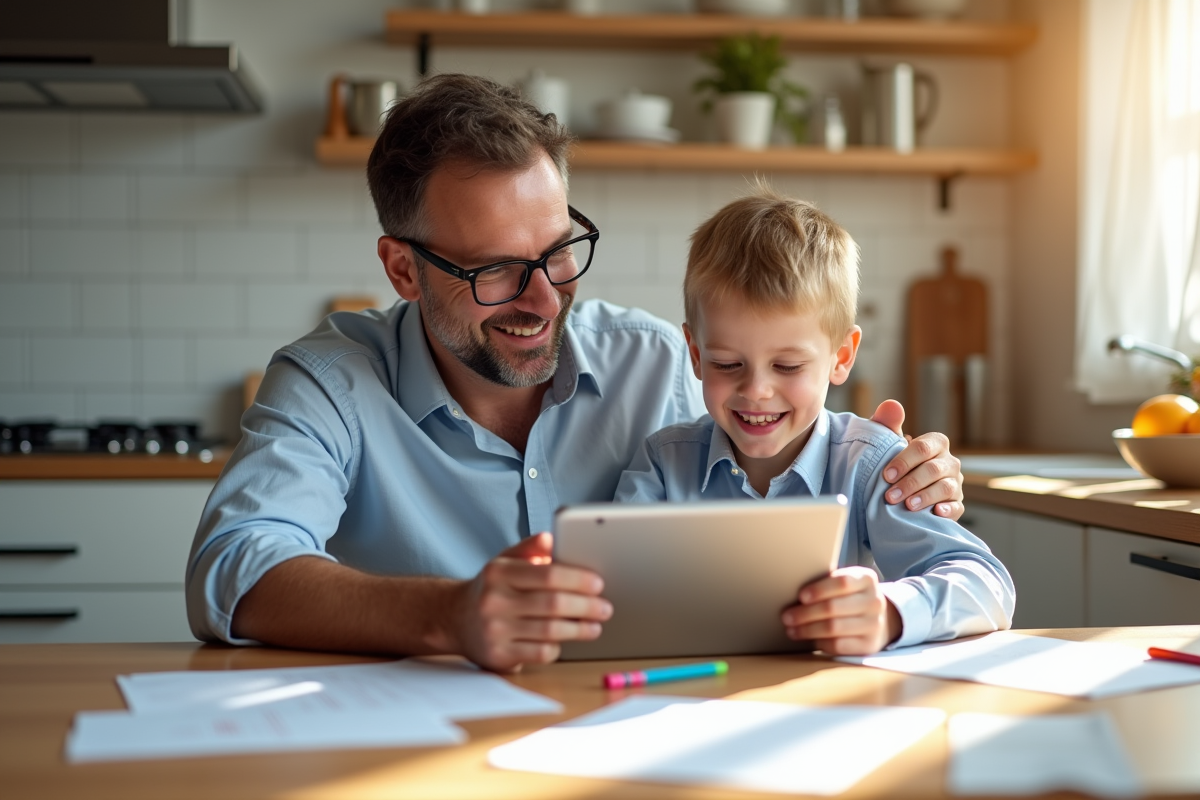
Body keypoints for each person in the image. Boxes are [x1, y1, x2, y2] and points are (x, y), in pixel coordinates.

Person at [185, 73, 968, 673]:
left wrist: (892, 471)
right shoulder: (330, 382)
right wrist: (447, 616)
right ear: (401, 269)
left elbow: (780, 476)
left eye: (558, 251)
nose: (542, 299)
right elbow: (231, 568)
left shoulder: (657, 362)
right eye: (495, 269)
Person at [614, 186, 1014, 655]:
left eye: (787, 367)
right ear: (696, 355)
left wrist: (890, 612)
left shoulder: (870, 466)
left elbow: (987, 586)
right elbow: (615, 587)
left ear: (841, 357)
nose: (756, 390)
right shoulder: (664, 464)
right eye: (727, 364)